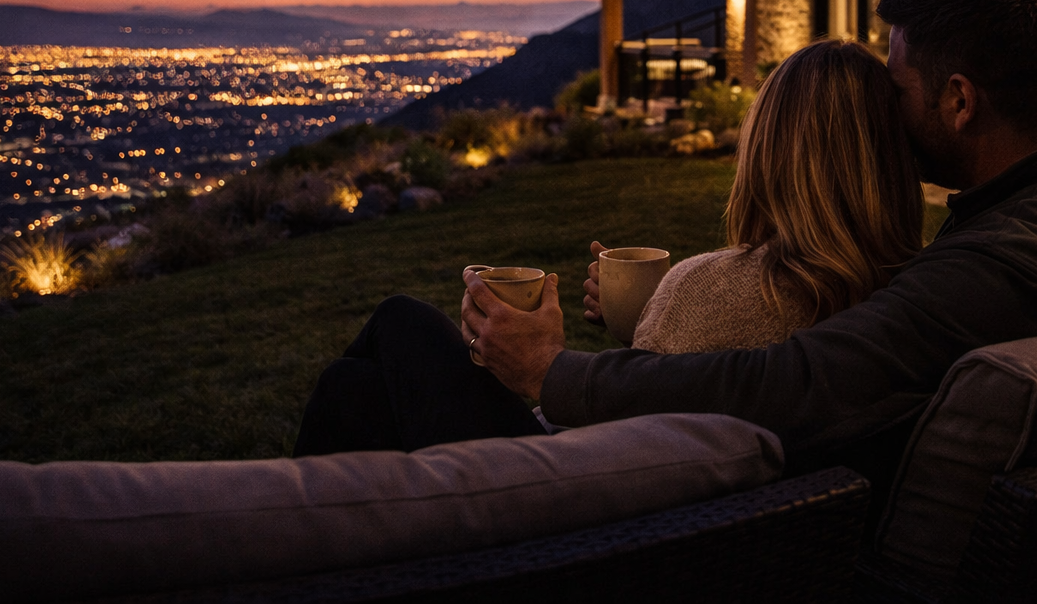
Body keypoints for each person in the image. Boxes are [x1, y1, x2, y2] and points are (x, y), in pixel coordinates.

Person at [461, 0, 1037, 493]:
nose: (880, 118)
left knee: (399, 339)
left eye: (895, 92)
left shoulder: (1002, 269)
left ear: (959, 101)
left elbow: (792, 385)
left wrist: (551, 371)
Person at [291, 38, 922, 455]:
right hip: (680, 507)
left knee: (401, 324)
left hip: (563, 503)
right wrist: (638, 332)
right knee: (354, 389)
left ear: (772, 150)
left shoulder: (715, 286)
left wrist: (545, 355)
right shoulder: (908, 295)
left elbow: (613, 443)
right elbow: (694, 383)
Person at [632, 39, 921, 353]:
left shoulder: (703, 293)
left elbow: (645, 391)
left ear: (766, 148)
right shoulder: (926, 297)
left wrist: (659, 315)